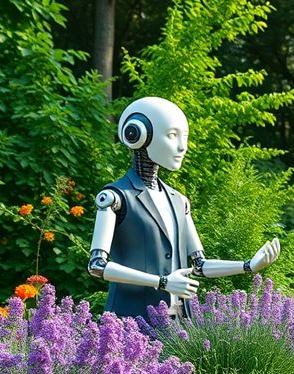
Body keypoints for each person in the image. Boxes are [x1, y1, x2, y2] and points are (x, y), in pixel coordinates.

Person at [87, 96, 280, 318]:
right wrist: (162, 282)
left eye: (184, 137)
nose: (182, 146)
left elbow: (199, 265)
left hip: (179, 323)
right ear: (136, 134)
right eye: (172, 135)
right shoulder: (115, 197)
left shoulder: (179, 201)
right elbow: (97, 266)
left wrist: (248, 266)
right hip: (130, 322)